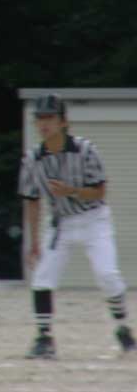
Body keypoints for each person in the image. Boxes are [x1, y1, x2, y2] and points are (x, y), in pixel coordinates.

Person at [18, 92, 135, 359]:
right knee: (42, 277)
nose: (44, 124)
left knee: (107, 274)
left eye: (50, 118)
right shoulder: (32, 159)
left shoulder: (85, 150)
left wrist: (71, 190)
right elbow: (32, 201)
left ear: (63, 122)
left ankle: (123, 327)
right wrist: (34, 242)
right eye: (40, 119)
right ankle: (44, 338)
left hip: (93, 218)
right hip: (61, 222)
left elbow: (100, 191)